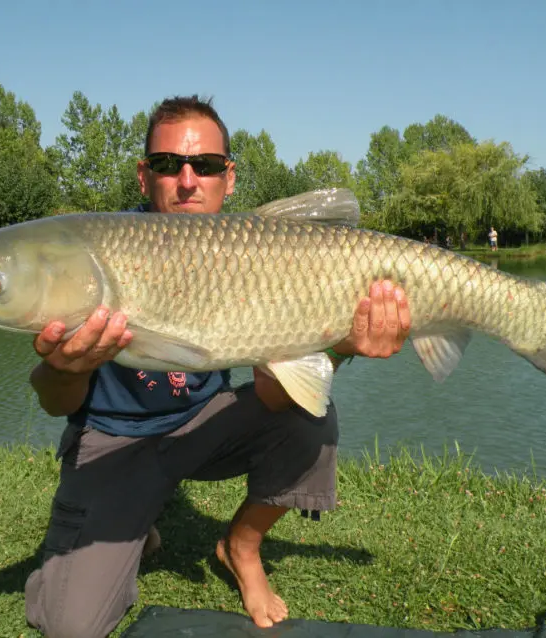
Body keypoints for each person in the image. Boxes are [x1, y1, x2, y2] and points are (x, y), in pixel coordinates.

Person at [24, 95, 412, 638]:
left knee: (310, 418)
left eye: (204, 165)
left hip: (202, 430)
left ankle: (241, 548)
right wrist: (65, 370)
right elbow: (54, 400)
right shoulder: (94, 252)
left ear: (227, 179)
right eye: (167, 164)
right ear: (144, 176)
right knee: (71, 627)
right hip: (112, 443)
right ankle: (136, 519)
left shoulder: (251, 250)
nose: (187, 180)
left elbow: (277, 398)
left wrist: (341, 346)